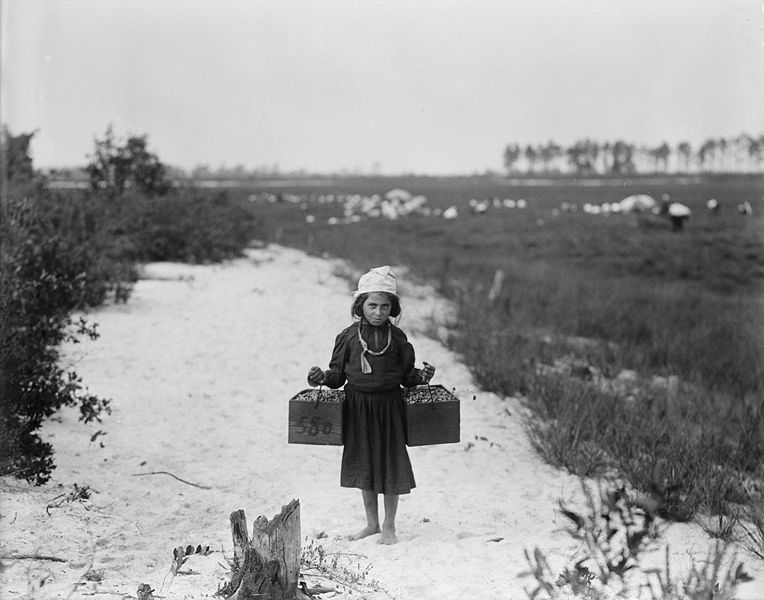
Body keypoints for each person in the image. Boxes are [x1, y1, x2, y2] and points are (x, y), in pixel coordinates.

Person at [307, 266, 436, 545]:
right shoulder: (348, 337)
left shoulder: (399, 339)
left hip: (389, 408)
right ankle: (372, 524)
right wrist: (319, 378)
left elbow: (407, 377)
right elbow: (336, 377)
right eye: (372, 305)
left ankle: (389, 525)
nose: (378, 312)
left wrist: (423, 377)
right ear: (360, 305)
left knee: (390, 465)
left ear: (393, 308)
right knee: (365, 464)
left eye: (384, 306)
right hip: (358, 408)